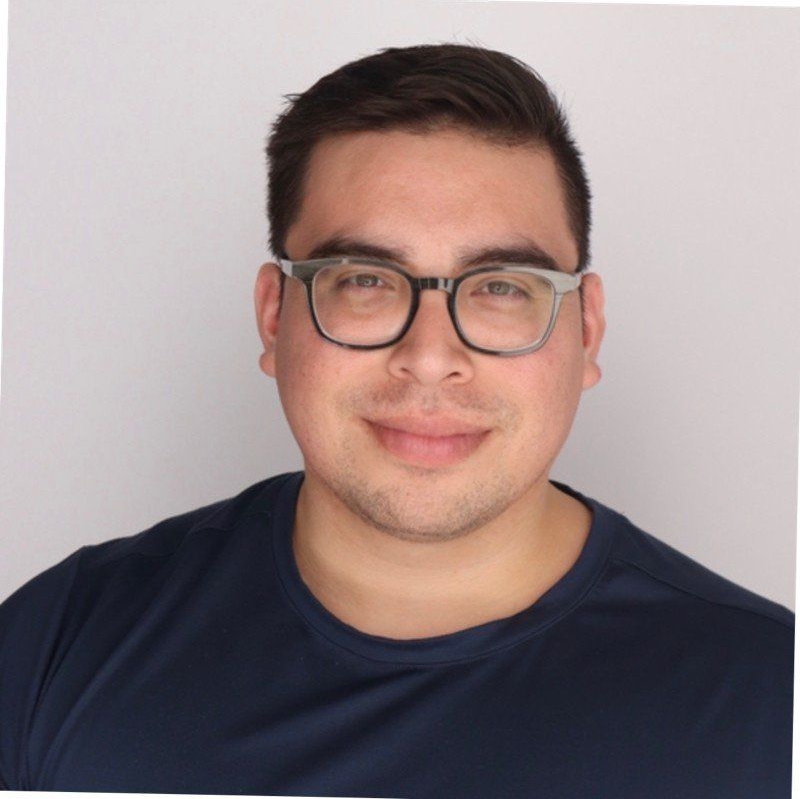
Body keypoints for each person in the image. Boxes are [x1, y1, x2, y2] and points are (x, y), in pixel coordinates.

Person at [0, 43, 793, 798]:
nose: (429, 356)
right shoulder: (55, 645)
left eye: (502, 287)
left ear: (586, 330)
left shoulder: (769, 700)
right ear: (273, 318)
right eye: (367, 280)